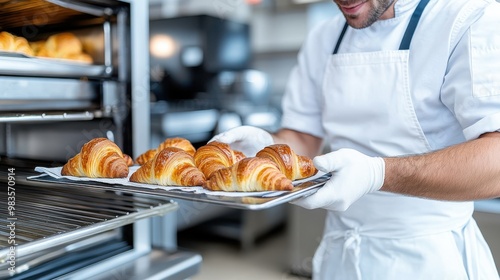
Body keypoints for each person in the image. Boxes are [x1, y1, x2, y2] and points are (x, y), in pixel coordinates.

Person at [210, 0, 500, 279]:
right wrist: (266, 146)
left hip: (432, 257)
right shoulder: (323, 37)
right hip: (342, 255)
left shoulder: (469, 18)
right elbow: (302, 137)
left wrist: (377, 174)